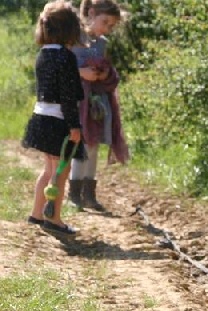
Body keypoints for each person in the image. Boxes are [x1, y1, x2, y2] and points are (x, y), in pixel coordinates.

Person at [22, 0, 87, 237]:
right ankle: (55, 219)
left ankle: (37, 214)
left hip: (41, 117)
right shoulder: (66, 57)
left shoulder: (43, 54)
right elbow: (68, 97)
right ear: (70, 29)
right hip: (59, 120)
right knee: (61, 170)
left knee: (49, 169)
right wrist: (74, 126)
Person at [68, 0, 129, 212]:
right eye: (105, 22)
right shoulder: (74, 39)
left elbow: (110, 73)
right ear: (91, 13)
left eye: (111, 26)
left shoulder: (101, 43)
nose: (107, 29)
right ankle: (74, 193)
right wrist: (81, 73)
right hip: (77, 102)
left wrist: (104, 74)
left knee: (93, 145)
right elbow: (62, 68)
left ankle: (89, 194)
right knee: (81, 145)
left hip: (96, 103)